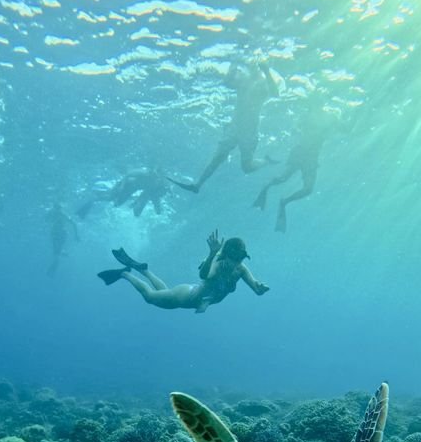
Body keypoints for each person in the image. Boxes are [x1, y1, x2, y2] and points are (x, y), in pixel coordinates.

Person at [170, 60, 279, 194]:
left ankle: (265, 161)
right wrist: (232, 67)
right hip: (234, 128)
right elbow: (227, 83)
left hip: (249, 132)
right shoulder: (244, 81)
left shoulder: (262, 84)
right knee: (218, 157)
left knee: (247, 167)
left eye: (255, 66)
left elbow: (275, 93)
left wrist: (267, 72)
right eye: (250, 65)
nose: (251, 67)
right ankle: (197, 185)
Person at [97, 230, 269, 313]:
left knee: (163, 292)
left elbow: (256, 289)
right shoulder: (218, 262)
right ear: (228, 255)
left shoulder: (241, 269)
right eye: (236, 258)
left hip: (191, 297)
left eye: (241, 258)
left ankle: (145, 271)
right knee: (150, 297)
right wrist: (210, 254)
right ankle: (124, 274)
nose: (238, 262)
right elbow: (203, 276)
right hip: (185, 296)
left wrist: (259, 288)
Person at [253, 96, 332, 232]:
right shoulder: (308, 116)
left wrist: (356, 116)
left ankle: (284, 201)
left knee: (308, 189)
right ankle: (266, 188)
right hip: (300, 152)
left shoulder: (330, 118)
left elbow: (346, 129)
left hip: (312, 158)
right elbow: (297, 128)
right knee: (283, 178)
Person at [77, 167, 169, 219]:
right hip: (124, 186)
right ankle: (94, 197)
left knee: (116, 204)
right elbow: (128, 174)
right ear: (153, 172)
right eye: (156, 175)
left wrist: (136, 202)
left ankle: (97, 195)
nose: (156, 178)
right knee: (110, 197)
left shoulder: (154, 183)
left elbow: (145, 195)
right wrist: (121, 186)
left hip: (129, 190)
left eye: (159, 177)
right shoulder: (144, 173)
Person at [46, 202, 80, 276]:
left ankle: (59, 256)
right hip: (56, 234)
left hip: (60, 234)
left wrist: (76, 235)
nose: (57, 210)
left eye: (58, 209)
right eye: (56, 209)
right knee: (56, 252)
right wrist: (76, 235)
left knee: (56, 252)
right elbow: (74, 224)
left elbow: (73, 223)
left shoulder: (62, 215)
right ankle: (61, 253)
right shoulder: (55, 214)